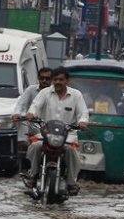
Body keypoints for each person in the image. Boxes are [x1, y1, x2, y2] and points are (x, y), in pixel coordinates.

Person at [23, 66, 90, 195]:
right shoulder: (45, 93)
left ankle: (71, 182)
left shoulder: (76, 95)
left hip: (68, 134)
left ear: (67, 81)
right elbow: (35, 105)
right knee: (35, 146)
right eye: (55, 79)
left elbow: (83, 112)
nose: (58, 82)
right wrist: (31, 114)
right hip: (44, 132)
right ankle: (32, 175)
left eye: (61, 79)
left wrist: (82, 122)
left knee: (72, 150)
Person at [12, 67, 53, 149]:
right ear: (38, 78)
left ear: (52, 79)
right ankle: (22, 144)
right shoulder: (31, 89)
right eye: (42, 78)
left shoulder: (54, 92)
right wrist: (17, 113)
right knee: (22, 122)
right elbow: (21, 104)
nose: (44, 80)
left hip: (49, 125)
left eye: (47, 78)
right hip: (32, 123)